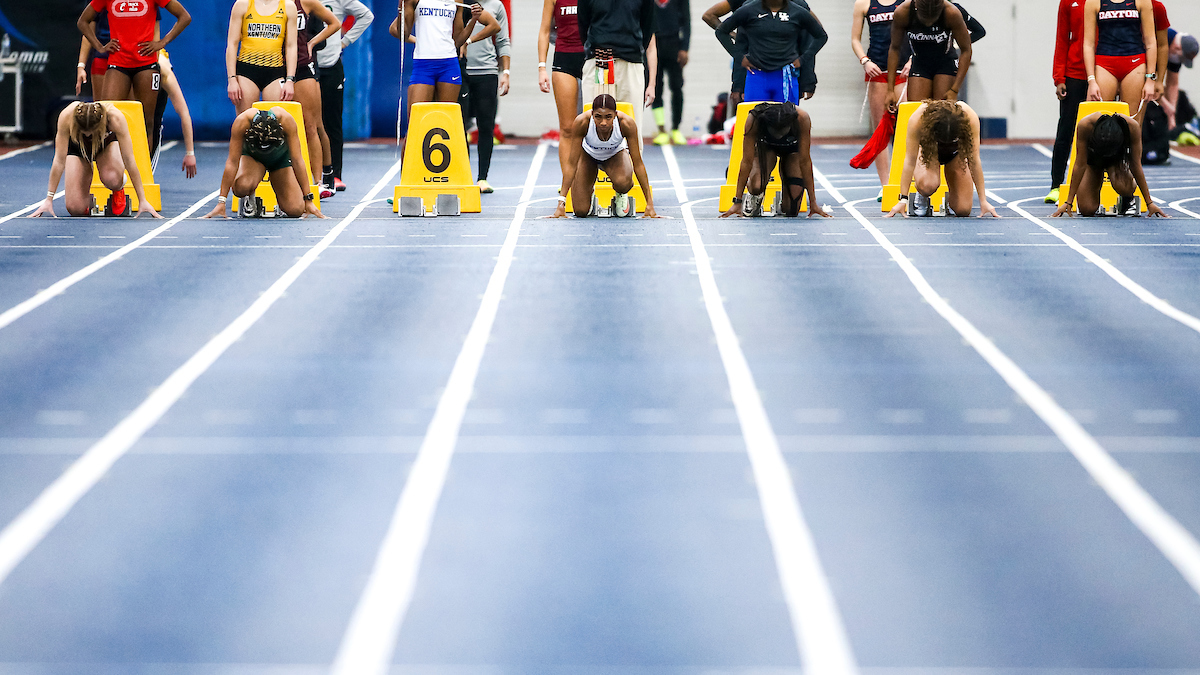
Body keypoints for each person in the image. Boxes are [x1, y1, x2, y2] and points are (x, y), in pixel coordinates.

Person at [77, 0, 191, 141]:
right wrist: (99, 47)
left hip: (146, 65)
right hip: (118, 64)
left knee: (146, 122)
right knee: (106, 118)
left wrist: (162, 42)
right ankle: (111, 161)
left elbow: (184, 17)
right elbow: (83, 21)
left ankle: (143, 163)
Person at [29, 102, 161, 219]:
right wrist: (49, 199)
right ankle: (85, 200)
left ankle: (118, 189)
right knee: (75, 208)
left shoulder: (115, 118)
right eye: (84, 132)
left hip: (104, 145)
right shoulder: (66, 116)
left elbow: (129, 159)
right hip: (78, 148)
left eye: (91, 133)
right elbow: (59, 160)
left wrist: (142, 199)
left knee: (113, 179)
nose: (87, 136)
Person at [202, 107, 326, 219]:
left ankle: (280, 196)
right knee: (241, 188)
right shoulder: (241, 122)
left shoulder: (287, 120)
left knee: (296, 210)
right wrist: (221, 201)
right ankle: (250, 199)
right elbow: (232, 162)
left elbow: (297, 160)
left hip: (279, 159)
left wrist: (308, 199)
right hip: (254, 159)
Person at [392, 0, 499, 130]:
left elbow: (458, 40)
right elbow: (403, 33)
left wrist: (474, 20)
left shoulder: (456, 1)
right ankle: (410, 151)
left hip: (448, 65)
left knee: (445, 123)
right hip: (424, 65)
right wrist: (401, 9)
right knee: (416, 124)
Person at [885, 99, 998, 218]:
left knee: (963, 210)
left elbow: (974, 160)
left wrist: (983, 201)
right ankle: (922, 195)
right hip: (930, 150)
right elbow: (909, 160)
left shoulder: (970, 117)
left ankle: (952, 198)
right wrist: (903, 199)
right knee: (928, 185)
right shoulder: (918, 118)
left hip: (956, 153)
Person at [552, 94, 658, 218]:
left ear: (615, 114)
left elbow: (638, 164)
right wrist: (561, 203)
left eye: (608, 117)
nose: (603, 123)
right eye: (598, 117)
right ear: (592, 114)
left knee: (623, 182)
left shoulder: (626, 124)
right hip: (588, 156)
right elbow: (571, 164)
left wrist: (649, 204)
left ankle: (621, 193)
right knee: (580, 211)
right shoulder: (582, 122)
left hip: (615, 155)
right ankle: (588, 193)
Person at [720, 101, 829, 218]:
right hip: (766, 149)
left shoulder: (802, 118)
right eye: (775, 132)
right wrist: (737, 201)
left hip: (792, 151)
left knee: (791, 210)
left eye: (782, 132)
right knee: (757, 185)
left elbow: (805, 162)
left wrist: (813, 203)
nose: (779, 136)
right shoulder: (754, 119)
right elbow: (746, 161)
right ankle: (753, 191)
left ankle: (782, 201)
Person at [1051, 110, 1166, 217]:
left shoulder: (1132, 127)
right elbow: (1080, 164)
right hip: (1094, 161)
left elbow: (1135, 165)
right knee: (1087, 209)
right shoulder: (1085, 125)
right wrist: (1068, 202)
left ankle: (1127, 199)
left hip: (1116, 161)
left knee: (1123, 186)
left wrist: (1149, 203)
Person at [312, 0, 374, 193]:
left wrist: (345, 42)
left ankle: (334, 174)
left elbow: (367, 16)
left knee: (332, 122)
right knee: (306, 122)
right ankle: (306, 174)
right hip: (305, 65)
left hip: (330, 65)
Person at [717, 0, 828, 105]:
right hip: (757, 75)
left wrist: (808, 79)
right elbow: (728, 36)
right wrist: (738, 83)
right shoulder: (748, 9)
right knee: (756, 120)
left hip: (785, 76)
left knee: (786, 120)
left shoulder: (798, 9)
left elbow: (817, 37)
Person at [851, 0, 910, 195]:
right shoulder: (864, 3)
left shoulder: (908, 2)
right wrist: (864, 61)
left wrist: (913, 59)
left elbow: (920, 32)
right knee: (881, 131)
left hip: (904, 71)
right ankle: (886, 186)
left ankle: (905, 182)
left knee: (906, 129)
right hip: (877, 71)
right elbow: (855, 39)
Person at [577, 0, 658, 135]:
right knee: (592, 126)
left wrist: (631, 51)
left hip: (630, 63)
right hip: (598, 61)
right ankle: (594, 156)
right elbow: (583, 26)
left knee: (632, 125)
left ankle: (632, 157)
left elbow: (647, 29)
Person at [885, 0, 982, 112]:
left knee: (941, 113)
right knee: (917, 113)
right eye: (925, 20)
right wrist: (890, 90)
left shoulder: (951, 13)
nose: (928, 24)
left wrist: (955, 89)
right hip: (920, 63)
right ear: (916, 6)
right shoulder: (903, 12)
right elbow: (894, 48)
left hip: (945, 63)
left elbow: (966, 50)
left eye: (933, 20)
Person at [459, 0, 511, 193]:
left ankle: (482, 178)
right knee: (459, 125)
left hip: (487, 71)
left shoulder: (495, 5)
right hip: (460, 69)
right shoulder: (459, 3)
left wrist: (506, 72)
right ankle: (462, 175)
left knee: (486, 125)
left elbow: (503, 40)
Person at [294, 0, 342, 197]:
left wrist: (312, 42)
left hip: (304, 65)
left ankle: (323, 178)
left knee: (314, 124)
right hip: (279, 66)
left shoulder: (306, 2)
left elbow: (335, 23)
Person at [539, 0, 586, 179]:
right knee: (568, 128)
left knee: (594, 126)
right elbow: (544, 31)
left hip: (591, 59)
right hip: (564, 59)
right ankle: (570, 183)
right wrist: (541, 67)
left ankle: (589, 181)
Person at [1082, 0, 1157, 111]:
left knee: (1131, 122)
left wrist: (1150, 80)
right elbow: (1088, 44)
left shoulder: (1142, 1)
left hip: (1134, 63)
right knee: (1101, 118)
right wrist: (1091, 80)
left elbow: (1150, 41)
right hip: (1105, 64)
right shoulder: (1093, 2)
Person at [1047, 0, 1087, 204]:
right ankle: (1056, 185)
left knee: (1101, 131)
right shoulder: (1068, 3)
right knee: (1066, 130)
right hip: (1074, 74)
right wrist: (1059, 78)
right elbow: (1062, 39)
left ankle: (1095, 185)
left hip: (1103, 72)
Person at [226, 0, 298, 112]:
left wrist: (290, 80)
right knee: (246, 123)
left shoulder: (288, 6)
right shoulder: (243, 4)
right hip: (247, 71)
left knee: (275, 124)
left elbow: (291, 46)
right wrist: (232, 80)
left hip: (275, 71)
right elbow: (232, 44)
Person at [651, 0, 691, 146]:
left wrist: (685, 48)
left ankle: (675, 128)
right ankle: (661, 130)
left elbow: (687, 22)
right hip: (654, 44)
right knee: (656, 87)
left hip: (674, 44)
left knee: (676, 87)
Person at [1163, 29, 1198, 127]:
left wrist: (1172, 113)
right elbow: (1149, 79)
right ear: (1177, 48)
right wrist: (1166, 105)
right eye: (1181, 58)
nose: (1178, 61)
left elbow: (1173, 84)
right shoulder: (1162, 39)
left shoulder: (1174, 55)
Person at [75, 4, 110, 100]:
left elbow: (154, 28)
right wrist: (81, 66)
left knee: (131, 109)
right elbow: (86, 27)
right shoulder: (97, 3)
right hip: (104, 58)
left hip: (134, 59)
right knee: (102, 109)